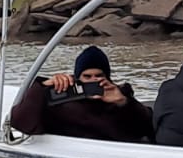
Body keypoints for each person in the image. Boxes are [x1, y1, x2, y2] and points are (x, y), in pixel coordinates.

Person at [9, 44, 154, 143]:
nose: (93, 80)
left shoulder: (119, 96)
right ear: (78, 78)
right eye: (87, 77)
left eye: (99, 76)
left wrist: (124, 103)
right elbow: (21, 122)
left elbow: (147, 126)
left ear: (107, 77)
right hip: (73, 154)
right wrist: (41, 86)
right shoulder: (63, 100)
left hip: (114, 154)